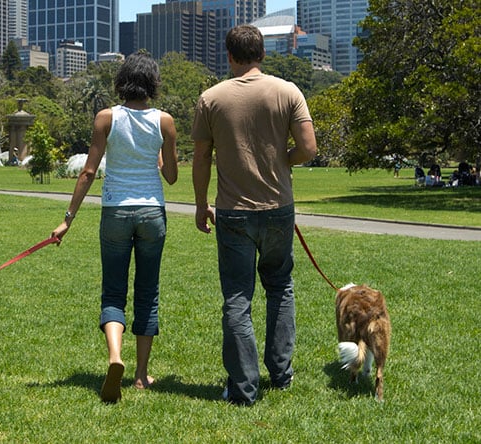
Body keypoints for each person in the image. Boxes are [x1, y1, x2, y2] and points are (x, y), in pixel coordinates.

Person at [191, 25, 317, 406]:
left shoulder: (211, 98)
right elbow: (309, 148)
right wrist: (284, 160)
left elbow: (201, 158)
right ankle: (280, 374)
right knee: (280, 287)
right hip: (279, 207)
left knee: (237, 297)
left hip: (233, 212)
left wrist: (200, 204)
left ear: (230, 56)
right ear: (262, 53)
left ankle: (244, 388)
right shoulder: (288, 91)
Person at [51, 52, 178, 403]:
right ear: (152, 84)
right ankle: (140, 376)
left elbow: (88, 171)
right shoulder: (164, 121)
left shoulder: (106, 117)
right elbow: (170, 176)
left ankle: (114, 356)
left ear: (122, 81)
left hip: (115, 214)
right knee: (147, 293)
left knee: (113, 292)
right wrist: (157, 157)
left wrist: (67, 220)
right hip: (152, 214)